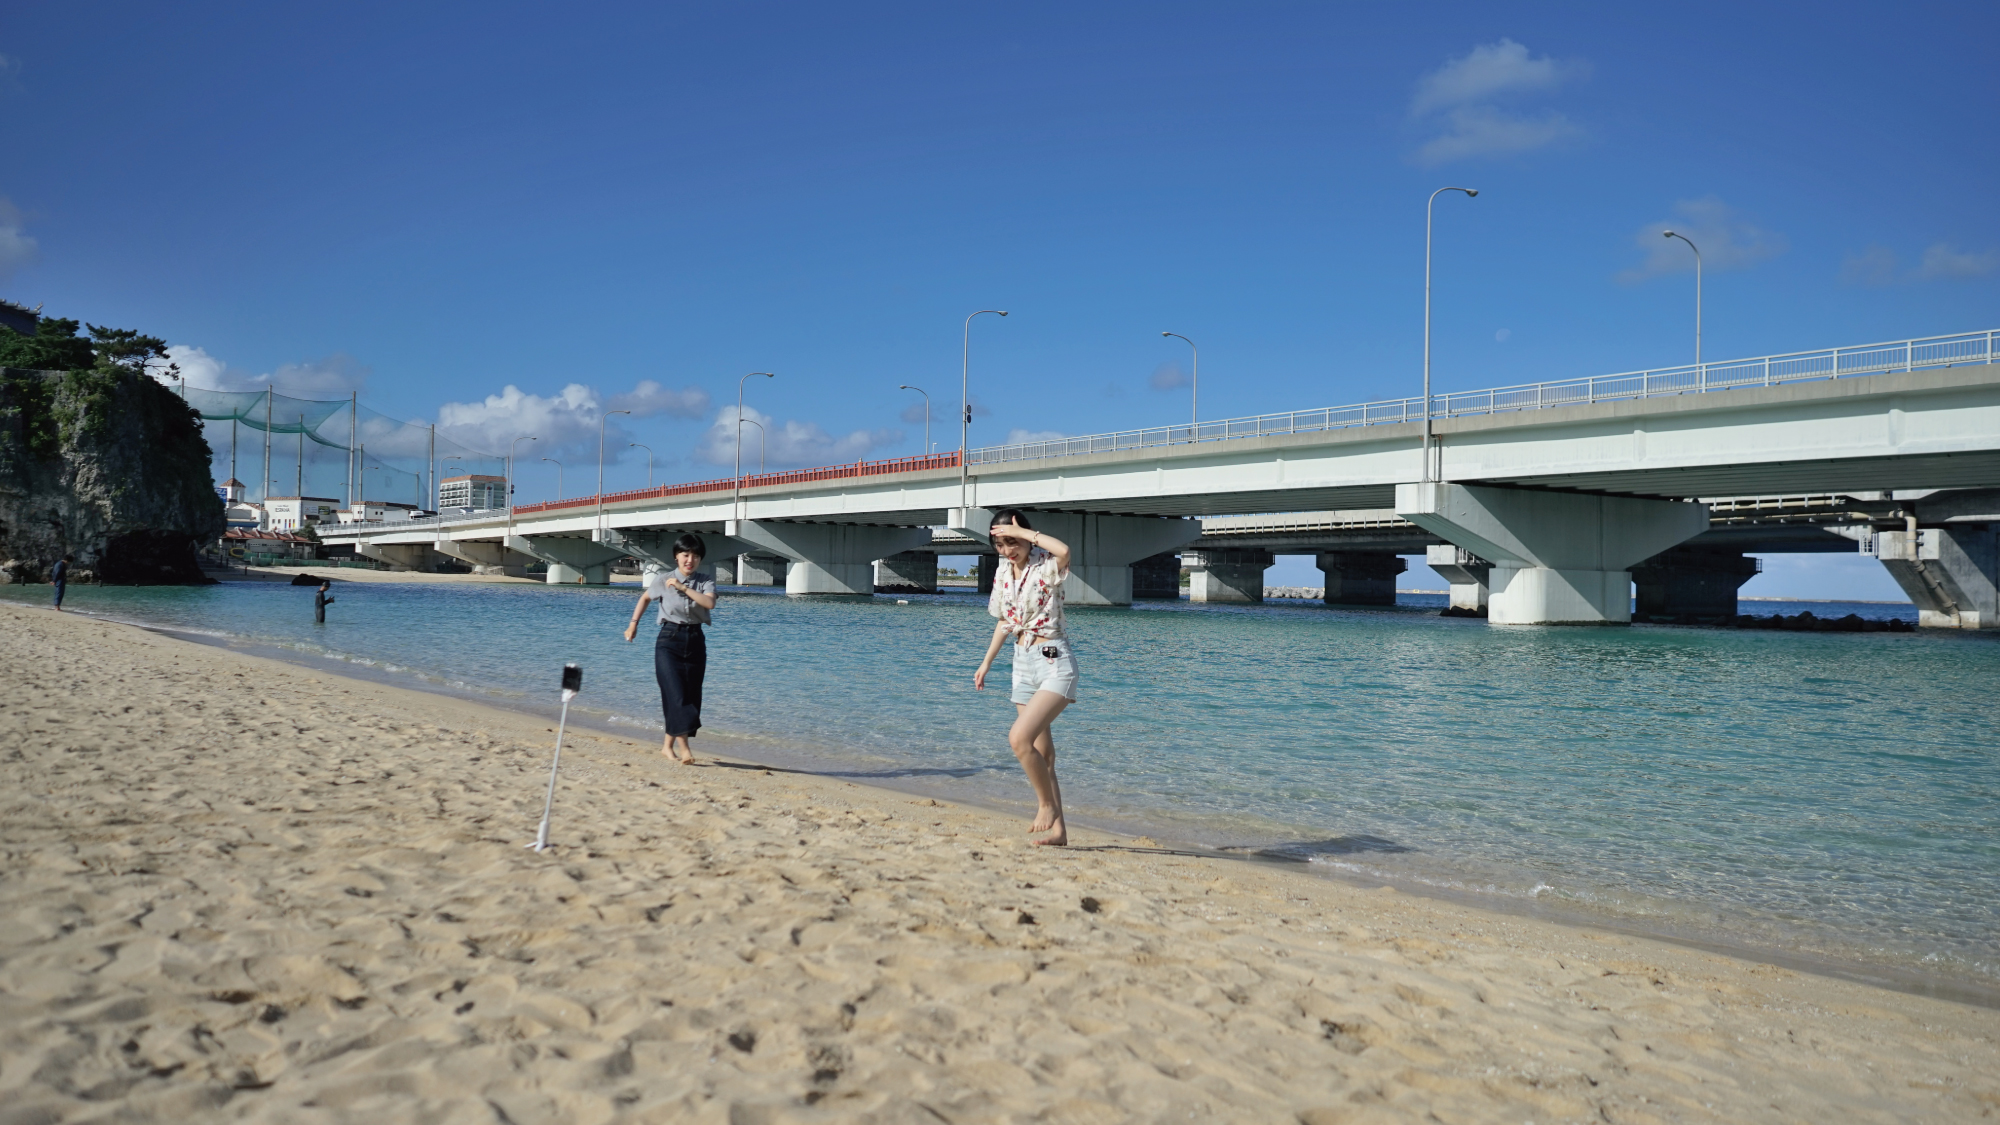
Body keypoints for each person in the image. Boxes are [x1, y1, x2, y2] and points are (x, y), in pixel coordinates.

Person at [973, 510, 1077, 846]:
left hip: (1053, 660)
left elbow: (1064, 551)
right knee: (1042, 754)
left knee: (1019, 739)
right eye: (1000, 544)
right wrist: (986, 662)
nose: (1007, 550)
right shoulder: (1004, 573)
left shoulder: (1047, 564)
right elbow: (1005, 620)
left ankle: (1045, 806)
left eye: (1012, 541)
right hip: (1022, 663)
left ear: (1025, 537)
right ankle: (1059, 833)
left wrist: (1026, 533)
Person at [624, 534, 717, 764]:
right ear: (677, 556)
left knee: (691, 696)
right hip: (668, 640)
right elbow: (645, 598)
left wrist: (683, 589)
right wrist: (633, 624)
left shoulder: (705, 581)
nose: (690, 560)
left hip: (695, 640)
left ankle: (667, 747)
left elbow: (709, 603)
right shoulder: (663, 579)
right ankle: (684, 748)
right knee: (675, 694)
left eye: (695, 556)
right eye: (686, 555)